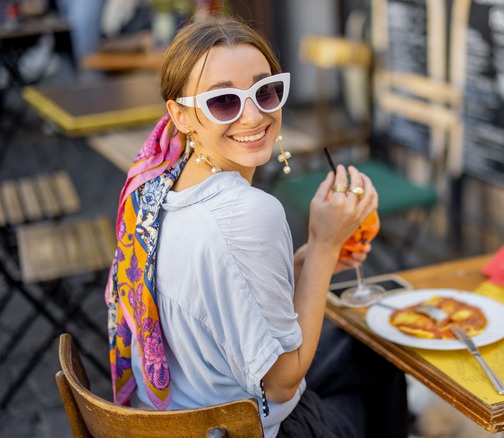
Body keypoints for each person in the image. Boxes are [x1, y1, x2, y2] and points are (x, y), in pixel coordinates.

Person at [105, 14, 408, 438]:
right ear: (181, 114)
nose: (253, 116)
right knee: (383, 367)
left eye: (265, 91)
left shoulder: (155, 184)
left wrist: (303, 265)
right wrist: (322, 244)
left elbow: (227, 298)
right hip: (239, 427)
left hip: (176, 411)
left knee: (367, 354)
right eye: (223, 100)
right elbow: (281, 383)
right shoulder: (247, 213)